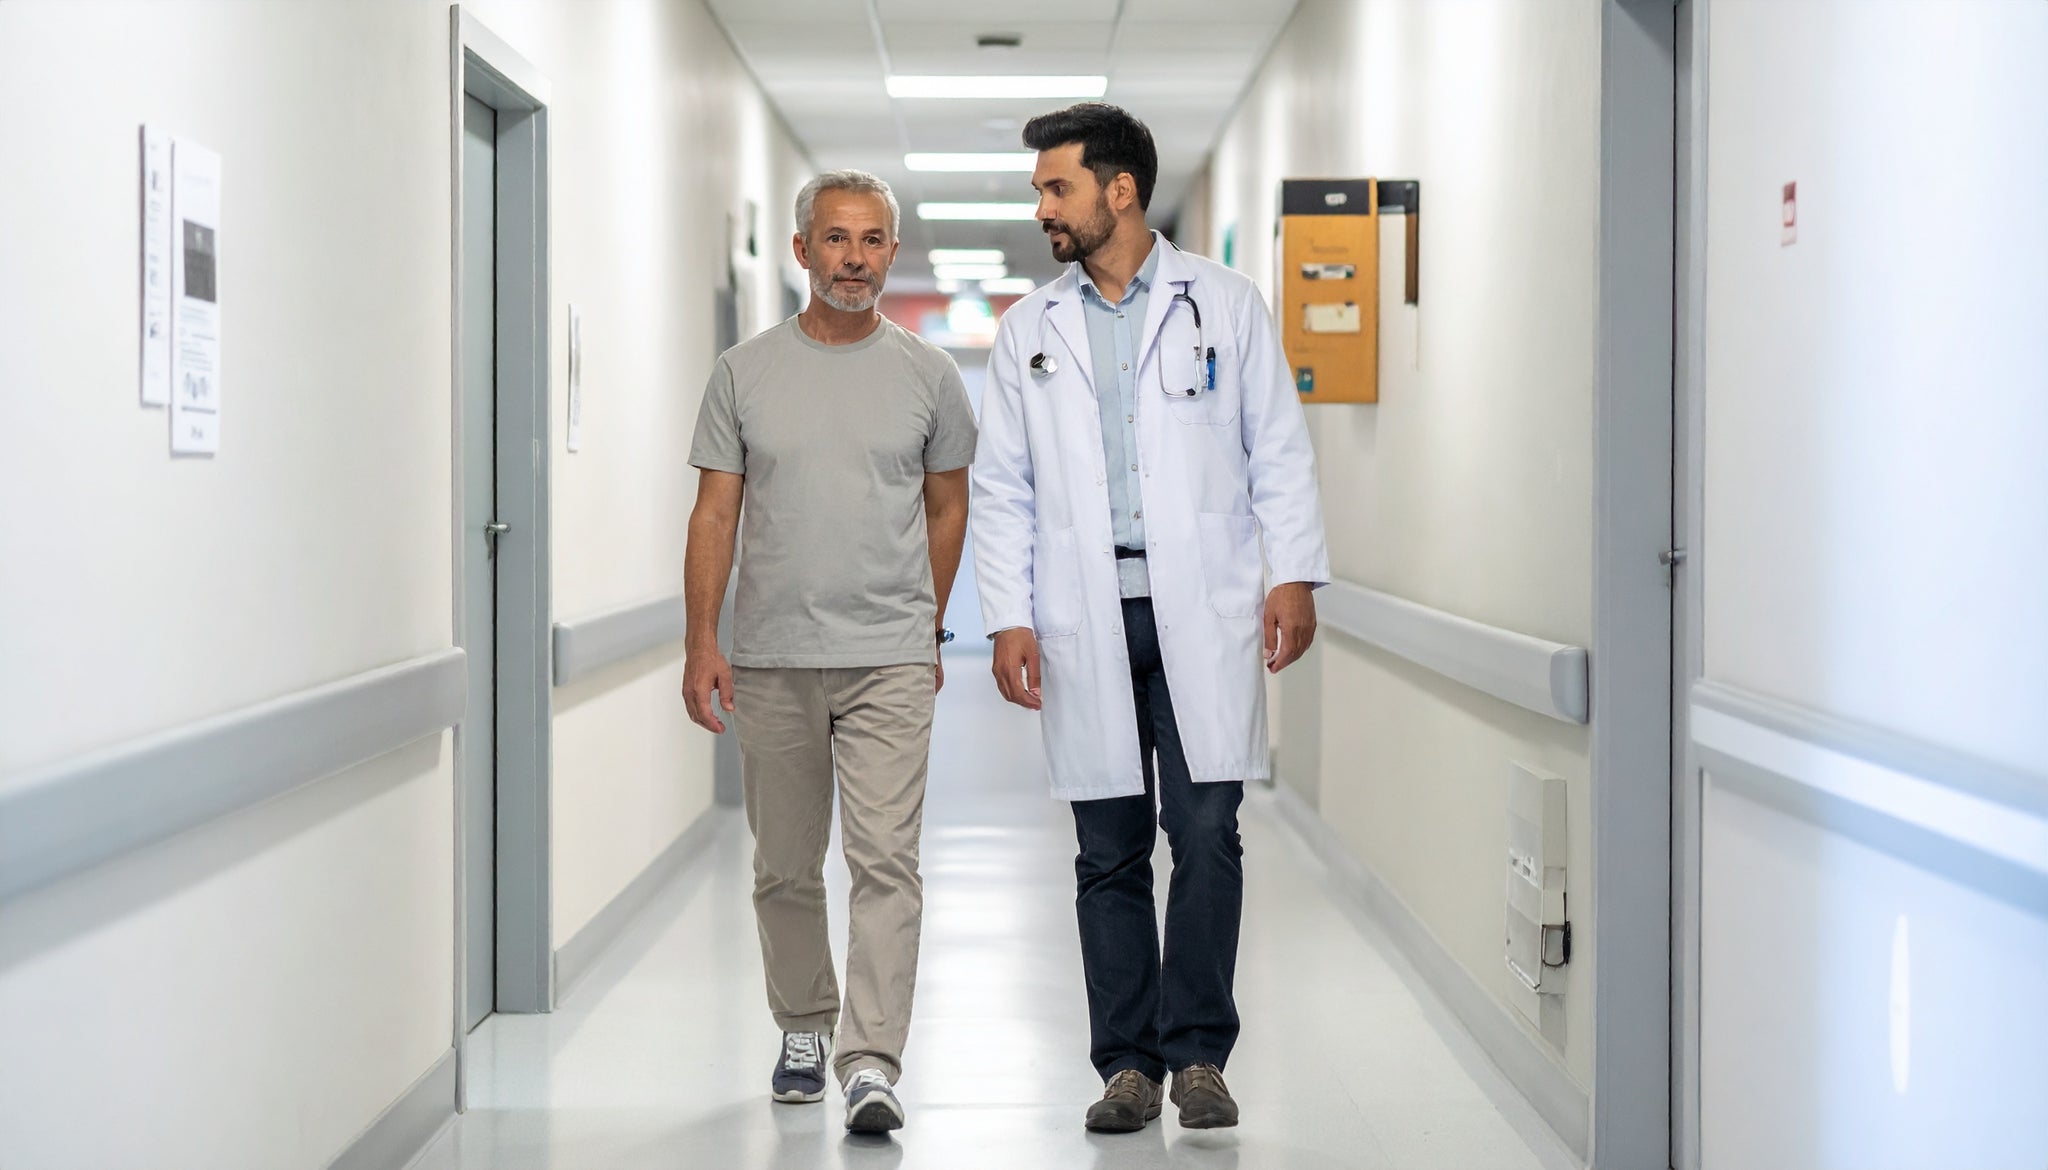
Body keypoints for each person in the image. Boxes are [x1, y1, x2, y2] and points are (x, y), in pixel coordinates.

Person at [970, 104, 1330, 1134]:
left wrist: (1291, 573)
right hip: (1086, 616)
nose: (1041, 206)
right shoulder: (1028, 330)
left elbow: (1277, 448)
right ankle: (1125, 1066)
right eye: (1041, 189)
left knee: (1208, 833)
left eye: (1056, 187)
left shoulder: (1223, 305)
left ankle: (1199, 1056)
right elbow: (1001, 488)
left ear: (1116, 190)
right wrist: (1006, 616)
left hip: (1201, 614)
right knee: (1107, 849)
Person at [681, 169, 976, 1135]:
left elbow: (947, 504)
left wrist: (924, 625)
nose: (855, 259)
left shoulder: (930, 377)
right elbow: (715, 510)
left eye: (874, 240)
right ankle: (804, 1025)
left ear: (894, 251)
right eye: (837, 241)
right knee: (785, 864)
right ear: (803, 251)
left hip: (889, 654)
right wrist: (702, 641)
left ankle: (873, 1057)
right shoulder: (744, 371)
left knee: (887, 860)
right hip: (771, 654)